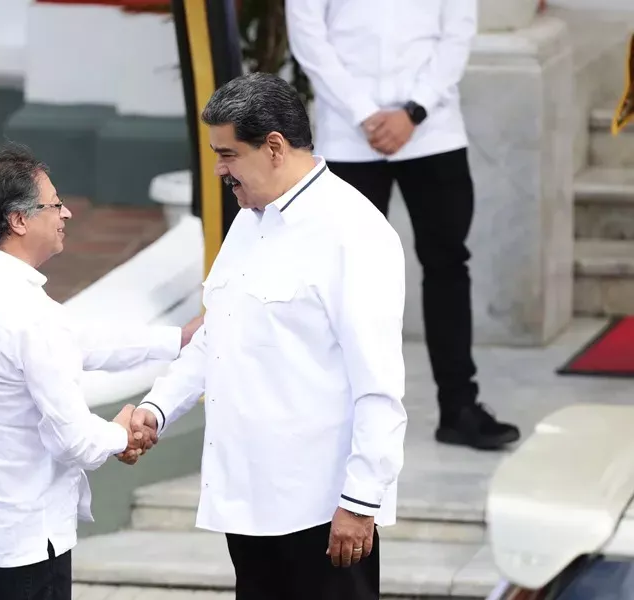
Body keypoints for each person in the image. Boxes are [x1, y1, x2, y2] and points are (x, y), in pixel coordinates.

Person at [124, 72, 407, 600]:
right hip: (251, 501)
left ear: (274, 146)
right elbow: (218, 333)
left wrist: (361, 501)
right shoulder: (249, 220)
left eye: (227, 154)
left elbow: (380, 385)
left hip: (323, 513)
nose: (218, 169)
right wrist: (157, 408)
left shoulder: (354, 234)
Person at [0, 142, 198, 600]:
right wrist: (121, 434)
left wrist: (176, 340)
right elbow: (76, 440)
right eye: (55, 204)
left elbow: (73, 342)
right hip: (22, 544)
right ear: (18, 220)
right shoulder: (29, 313)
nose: (67, 213)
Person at [284, 0, 521, 450]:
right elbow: (309, 36)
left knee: (448, 266)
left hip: (433, 130)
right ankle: (340, 417)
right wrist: (363, 112)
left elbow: (457, 32)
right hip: (349, 135)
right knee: (346, 278)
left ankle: (459, 408)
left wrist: (414, 112)